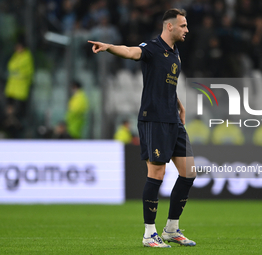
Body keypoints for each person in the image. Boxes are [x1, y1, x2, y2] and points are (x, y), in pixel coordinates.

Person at [88, 8, 196, 248]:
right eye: (183, 26)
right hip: (154, 119)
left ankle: (171, 229)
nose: (187, 30)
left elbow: (168, 84)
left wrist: (179, 105)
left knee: (189, 173)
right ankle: (149, 234)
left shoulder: (175, 53)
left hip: (173, 120)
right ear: (170, 26)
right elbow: (131, 52)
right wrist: (110, 47)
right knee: (157, 174)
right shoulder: (152, 47)